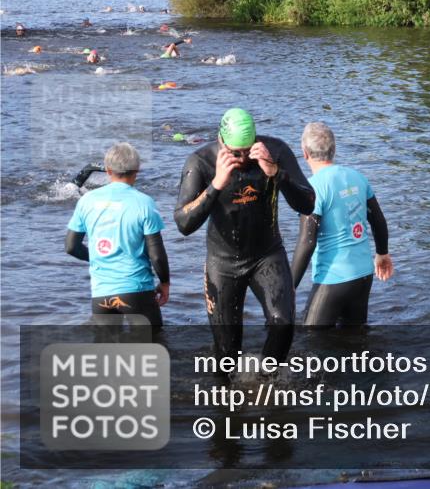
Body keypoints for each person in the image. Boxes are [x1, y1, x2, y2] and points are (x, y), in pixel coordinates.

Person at [174, 108, 314, 362]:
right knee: (227, 353)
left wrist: (276, 174)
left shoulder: (276, 151)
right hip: (223, 263)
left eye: (247, 151)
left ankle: (268, 381)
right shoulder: (201, 162)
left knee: (282, 324)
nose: (242, 158)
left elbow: (308, 204)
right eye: (235, 152)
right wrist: (216, 184)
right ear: (221, 141)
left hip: (266, 255)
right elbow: (183, 223)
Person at [291, 122, 393, 326]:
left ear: (305, 153)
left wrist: (288, 286)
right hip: (363, 275)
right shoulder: (358, 177)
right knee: (354, 340)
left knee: (312, 340)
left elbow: (307, 242)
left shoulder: (312, 189)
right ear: (334, 149)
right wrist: (382, 253)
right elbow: (378, 220)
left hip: (333, 278)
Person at [65, 143, 170, 328]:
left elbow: (71, 247)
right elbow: (157, 255)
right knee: (154, 349)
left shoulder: (86, 201)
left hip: (101, 294)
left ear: (107, 170)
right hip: (136, 290)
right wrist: (165, 283)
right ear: (137, 169)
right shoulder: (144, 203)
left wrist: (99, 258)